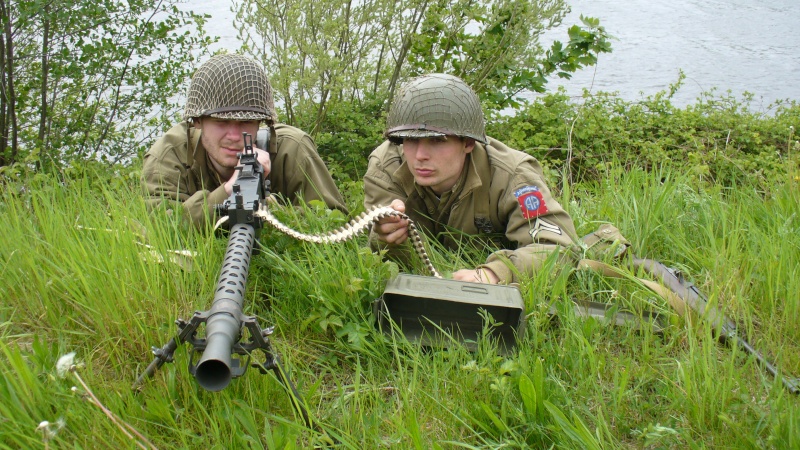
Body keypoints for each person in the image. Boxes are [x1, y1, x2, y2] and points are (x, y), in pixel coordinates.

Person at [364, 73, 578, 285]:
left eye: (437, 141)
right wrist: (383, 236)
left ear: (467, 143)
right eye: (410, 140)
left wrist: (496, 273)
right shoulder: (386, 167)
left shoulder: (512, 175)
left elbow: (557, 249)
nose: (420, 155)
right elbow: (378, 252)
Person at [142, 53, 348, 228]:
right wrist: (227, 192)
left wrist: (270, 210)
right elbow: (160, 226)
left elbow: (334, 221)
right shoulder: (170, 154)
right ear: (197, 121)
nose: (233, 136)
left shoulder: (292, 149)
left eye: (246, 121)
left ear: (261, 122)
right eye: (220, 122)